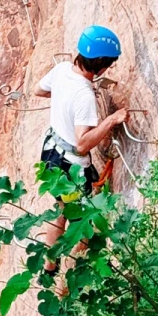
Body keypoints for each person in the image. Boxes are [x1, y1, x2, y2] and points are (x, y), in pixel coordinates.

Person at [35, 25, 127, 253]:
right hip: (70, 167)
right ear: (101, 63)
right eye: (109, 64)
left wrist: (63, 99)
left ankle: (50, 265)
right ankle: (75, 267)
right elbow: (82, 143)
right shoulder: (84, 95)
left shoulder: (62, 69)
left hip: (50, 152)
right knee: (82, 220)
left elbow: (39, 90)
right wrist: (111, 120)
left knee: (61, 209)